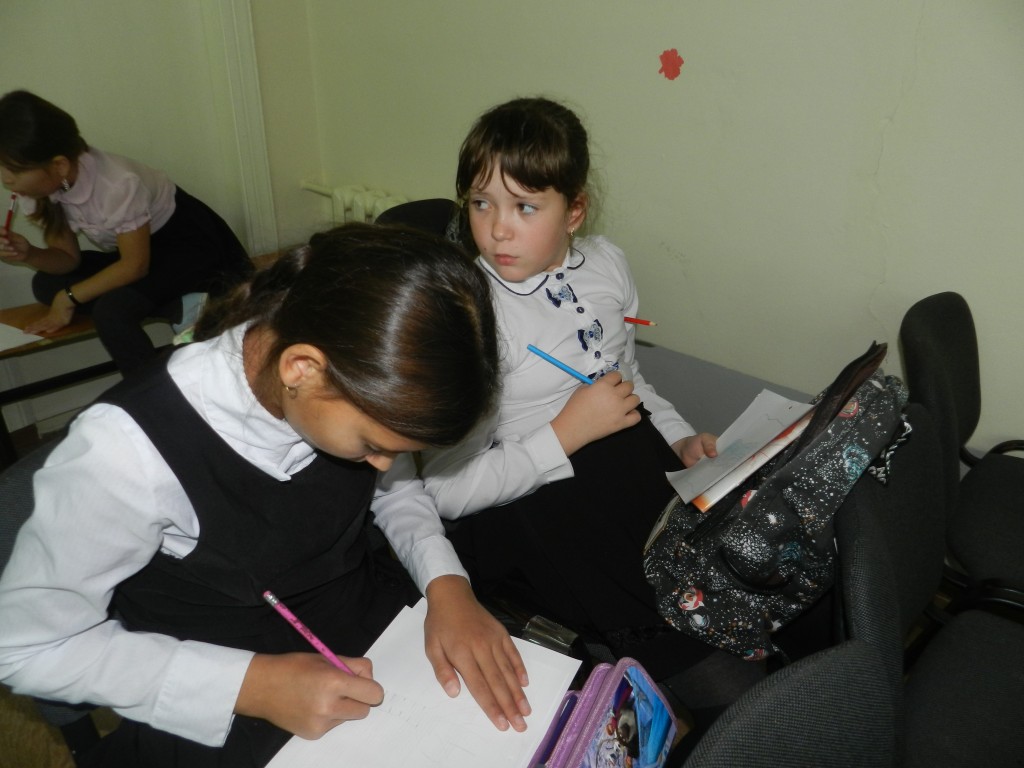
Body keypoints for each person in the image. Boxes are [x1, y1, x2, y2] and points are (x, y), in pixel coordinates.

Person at [0, 223, 531, 768]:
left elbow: (394, 491)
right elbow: (26, 648)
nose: (382, 464)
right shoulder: (124, 452)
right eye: (373, 445)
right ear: (302, 369)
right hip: (219, 683)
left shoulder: (338, 380)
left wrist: (446, 584)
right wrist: (251, 685)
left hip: (366, 628)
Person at [419, 97, 755, 732]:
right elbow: (442, 489)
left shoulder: (606, 263)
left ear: (574, 211)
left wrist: (679, 440)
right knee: (709, 666)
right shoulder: (465, 313)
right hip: (537, 502)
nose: (497, 230)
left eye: (525, 207)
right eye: (481, 203)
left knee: (729, 574)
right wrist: (565, 433)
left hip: (631, 465)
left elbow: (631, 381)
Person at [0, 89, 253, 373]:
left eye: (14, 170)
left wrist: (68, 298)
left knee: (111, 312)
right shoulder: (40, 189)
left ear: (59, 165)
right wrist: (29, 254)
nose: (6, 179)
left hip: (188, 248)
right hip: (142, 254)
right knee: (45, 283)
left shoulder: (117, 185)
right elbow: (67, 259)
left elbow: (134, 266)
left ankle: (153, 391)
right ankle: (178, 305)